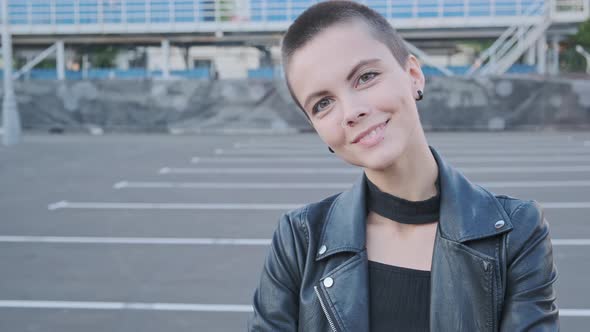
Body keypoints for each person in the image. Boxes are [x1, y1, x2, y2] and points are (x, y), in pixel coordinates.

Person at [247, 1, 559, 331]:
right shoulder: (298, 240)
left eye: (365, 77)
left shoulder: (516, 233)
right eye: (323, 104)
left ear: (413, 75)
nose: (351, 111)